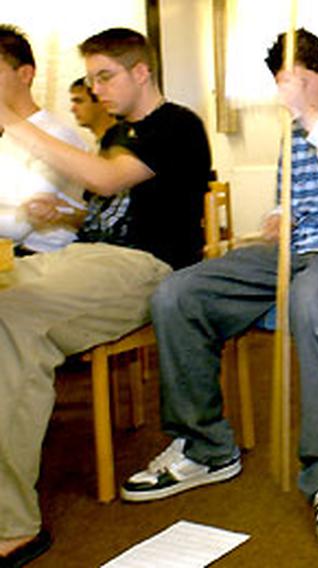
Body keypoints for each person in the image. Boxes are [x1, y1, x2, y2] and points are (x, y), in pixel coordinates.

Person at [122, 28, 318, 549]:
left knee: (314, 296)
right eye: (284, 89)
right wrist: (279, 215)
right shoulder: (293, 133)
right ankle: (204, 446)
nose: (290, 100)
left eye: (297, 84)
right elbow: (291, 200)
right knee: (178, 292)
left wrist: (313, 119)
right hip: (299, 250)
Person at [0, 27, 211, 566]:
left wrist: (8, 119)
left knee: (13, 319)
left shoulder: (177, 125)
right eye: (90, 78)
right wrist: (68, 211)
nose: (95, 89)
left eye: (105, 76)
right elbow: (106, 210)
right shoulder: (119, 133)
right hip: (87, 257)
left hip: (145, 269)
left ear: (141, 71)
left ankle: (12, 525)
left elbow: (112, 181)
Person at [0, 25, 87, 257]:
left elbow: (21, 225)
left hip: (44, 258)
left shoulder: (55, 136)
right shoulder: (9, 134)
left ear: (25, 74)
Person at [69, 76, 116, 144]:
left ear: (103, 102)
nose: (72, 109)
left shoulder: (122, 144)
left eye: (79, 101)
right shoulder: (104, 143)